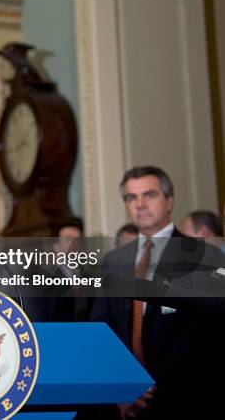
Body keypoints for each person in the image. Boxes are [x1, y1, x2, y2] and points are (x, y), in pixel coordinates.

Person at [90, 166, 225, 419]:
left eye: (149, 195)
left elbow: (202, 335)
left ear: (169, 201)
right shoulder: (113, 261)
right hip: (123, 404)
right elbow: (101, 329)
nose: (140, 204)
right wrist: (121, 388)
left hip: (184, 401)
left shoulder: (205, 255)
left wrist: (152, 389)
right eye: (131, 197)